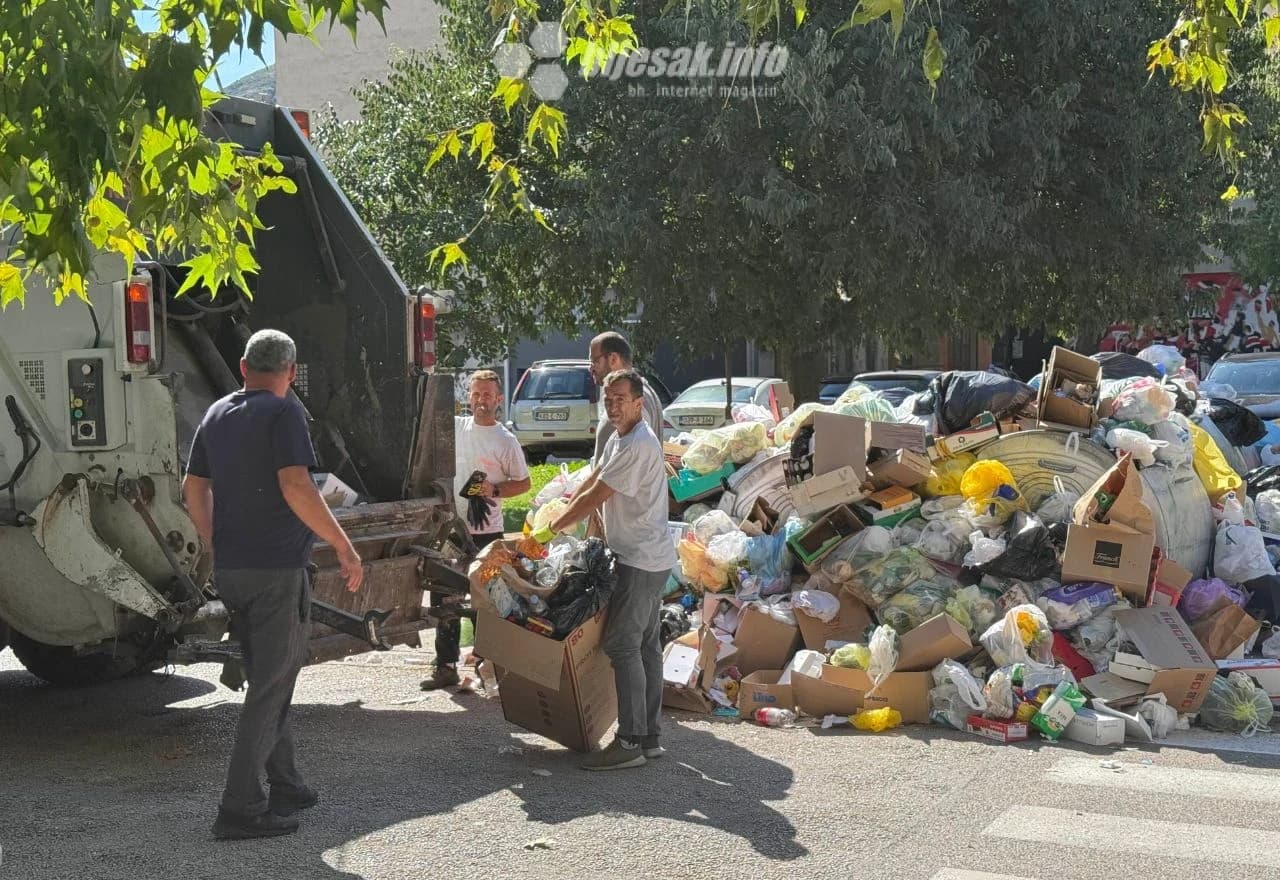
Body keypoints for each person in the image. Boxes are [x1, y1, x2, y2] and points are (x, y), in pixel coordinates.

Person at [182, 329, 365, 841]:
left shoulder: (216, 414)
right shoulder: (285, 412)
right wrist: (344, 547)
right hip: (276, 571)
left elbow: (192, 487)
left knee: (271, 676)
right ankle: (239, 808)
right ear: (291, 371)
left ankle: (285, 782)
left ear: (242, 367)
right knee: (270, 685)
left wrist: (215, 539)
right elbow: (296, 485)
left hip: (234, 570)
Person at [550, 369, 676, 771]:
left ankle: (630, 741)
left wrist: (552, 527)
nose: (614, 406)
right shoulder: (621, 440)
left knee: (622, 645)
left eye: (622, 399)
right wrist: (561, 513)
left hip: (640, 560)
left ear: (640, 404)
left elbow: (600, 495)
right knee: (645, 647)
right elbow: (592, 484)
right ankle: (650, 738)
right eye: (609, 399)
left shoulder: (639, 443)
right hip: (643, 555)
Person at [421, 369, 531, 692]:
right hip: (451, 529)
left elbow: (523, 483)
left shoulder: (505, 441)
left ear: (498, 400)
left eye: (488, 395)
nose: (481, 401)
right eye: (476, 394)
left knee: (486, 597)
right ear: (468, 397)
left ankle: (487, 665)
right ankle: (445, 666)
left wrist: (492, 492)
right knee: (444, 593)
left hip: (487, 533)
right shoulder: (456, 429)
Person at [588, 331, 665, 460]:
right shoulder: (640, 390)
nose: (591, 368)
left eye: (594, 361)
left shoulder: (634, 397)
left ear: (613, 359)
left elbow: (632, 458)